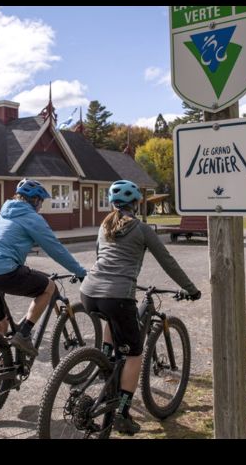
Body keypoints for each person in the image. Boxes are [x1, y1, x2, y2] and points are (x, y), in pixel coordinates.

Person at [79, 179, 201, 435]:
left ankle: (106, 359)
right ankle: (122, 413)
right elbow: (168, 262)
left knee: (111, 319)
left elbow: (100, 256)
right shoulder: (142, 229)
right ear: (135, 204)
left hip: (89, 292)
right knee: (134, 354)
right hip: (118, 295)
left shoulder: (104, 225)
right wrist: (191, 289)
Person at [0, 178, 88, 357]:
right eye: (41, 202)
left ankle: (4, 373)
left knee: (1, 326)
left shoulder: (4, 213)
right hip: (3, 273)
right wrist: (80, 271)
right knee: (49, 286)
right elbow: (55, 249)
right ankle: (24, 334)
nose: (40, 207)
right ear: (35, 200)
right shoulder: (32, 217)